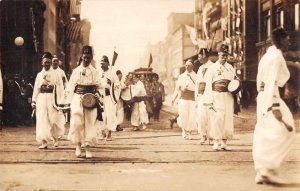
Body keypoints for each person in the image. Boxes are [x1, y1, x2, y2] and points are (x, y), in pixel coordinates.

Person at [252, 27, 295, 185]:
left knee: (265, 132)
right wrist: (274, 105)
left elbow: (261, 80)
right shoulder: (275, 57)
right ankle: (268, 170)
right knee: (284, 129)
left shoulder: (268, 55)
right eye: (287, 39)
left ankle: (262, 170)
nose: (289, 42)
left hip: (264, 96)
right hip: (271, 96)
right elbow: (272, 82)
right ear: (281, 40)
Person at [65, 45, 102, 158]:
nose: (86, 59)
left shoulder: (95, 72)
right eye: (85, 57)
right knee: (77, 122)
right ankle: (78, 145)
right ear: (82, 56)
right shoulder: (76, 71)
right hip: (78, 98)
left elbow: (99, 86)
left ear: (91, 58)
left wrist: (98, 97)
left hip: (91, 100)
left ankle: (88, 147)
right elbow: (70, 87)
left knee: (89, 123)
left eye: (89, 57)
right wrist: (67, 102)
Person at [204, 44, 235, 150]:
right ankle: (216, 142)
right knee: (217, 118)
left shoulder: (230, 68)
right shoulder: (212, 68)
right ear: (218, 54)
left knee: (227, 118)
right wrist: (209, 100)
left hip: (228, 95)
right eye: (222, 55)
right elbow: (208, 84)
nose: (224, 57)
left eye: (226, 55)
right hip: (216, 95)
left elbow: (235, 81)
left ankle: (224, 142)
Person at [31, 52, 65, 149]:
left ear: (51, 63)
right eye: (45, 62)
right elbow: (36, 89)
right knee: (42, 119)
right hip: (42, 98)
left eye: (48, 62)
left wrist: (60, 101)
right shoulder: (39, 75)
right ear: (42, 63)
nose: (47, 64)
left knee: (53, 119)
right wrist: (34, 101)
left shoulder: (56, 74)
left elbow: (60, 87)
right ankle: (44, 141)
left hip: (52, 98)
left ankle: (55, 138)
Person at [172, 59, 197, 139]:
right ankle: (184, 131)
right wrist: (174, 98)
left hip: (192, 99)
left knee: (192, 116)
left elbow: (198, 88)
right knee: (183, 115)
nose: (187, 67)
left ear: (192, 66)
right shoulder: (182, 76)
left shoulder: (196, 76)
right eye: (186, 65)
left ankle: (190, 132)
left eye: (189, 65)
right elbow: (177, 88)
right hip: (183, 98)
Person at [195, 48, 214, 144]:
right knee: (201, 116)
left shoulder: (213, 67)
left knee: (210, 116)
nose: (198, 58)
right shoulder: (200, 68)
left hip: (210, 95)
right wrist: (196, 97)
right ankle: (203, 135)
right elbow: (197, 84)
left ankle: (211, 136)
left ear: (205, 55)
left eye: (200, 55)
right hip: (201, 96)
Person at [98, 55, 120, 140]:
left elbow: (118, 86)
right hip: (101, 97)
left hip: (109, 98)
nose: (101, 65)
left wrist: (111, 84)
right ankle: (102, 132)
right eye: (101, 63)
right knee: (102, 116)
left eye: (103, 63)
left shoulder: (113, 74)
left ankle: (109, 134)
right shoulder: (99, 73)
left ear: (107, 63)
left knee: (110, 115)